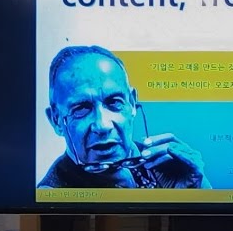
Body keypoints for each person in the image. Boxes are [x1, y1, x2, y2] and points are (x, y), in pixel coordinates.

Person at [38, 45, 210, 189]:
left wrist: (195, 193)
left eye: (114, 102)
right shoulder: (53, 192)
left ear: (132, 103)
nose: (103, 125)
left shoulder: (170, 165)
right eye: (81, 108)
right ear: (56, 120)